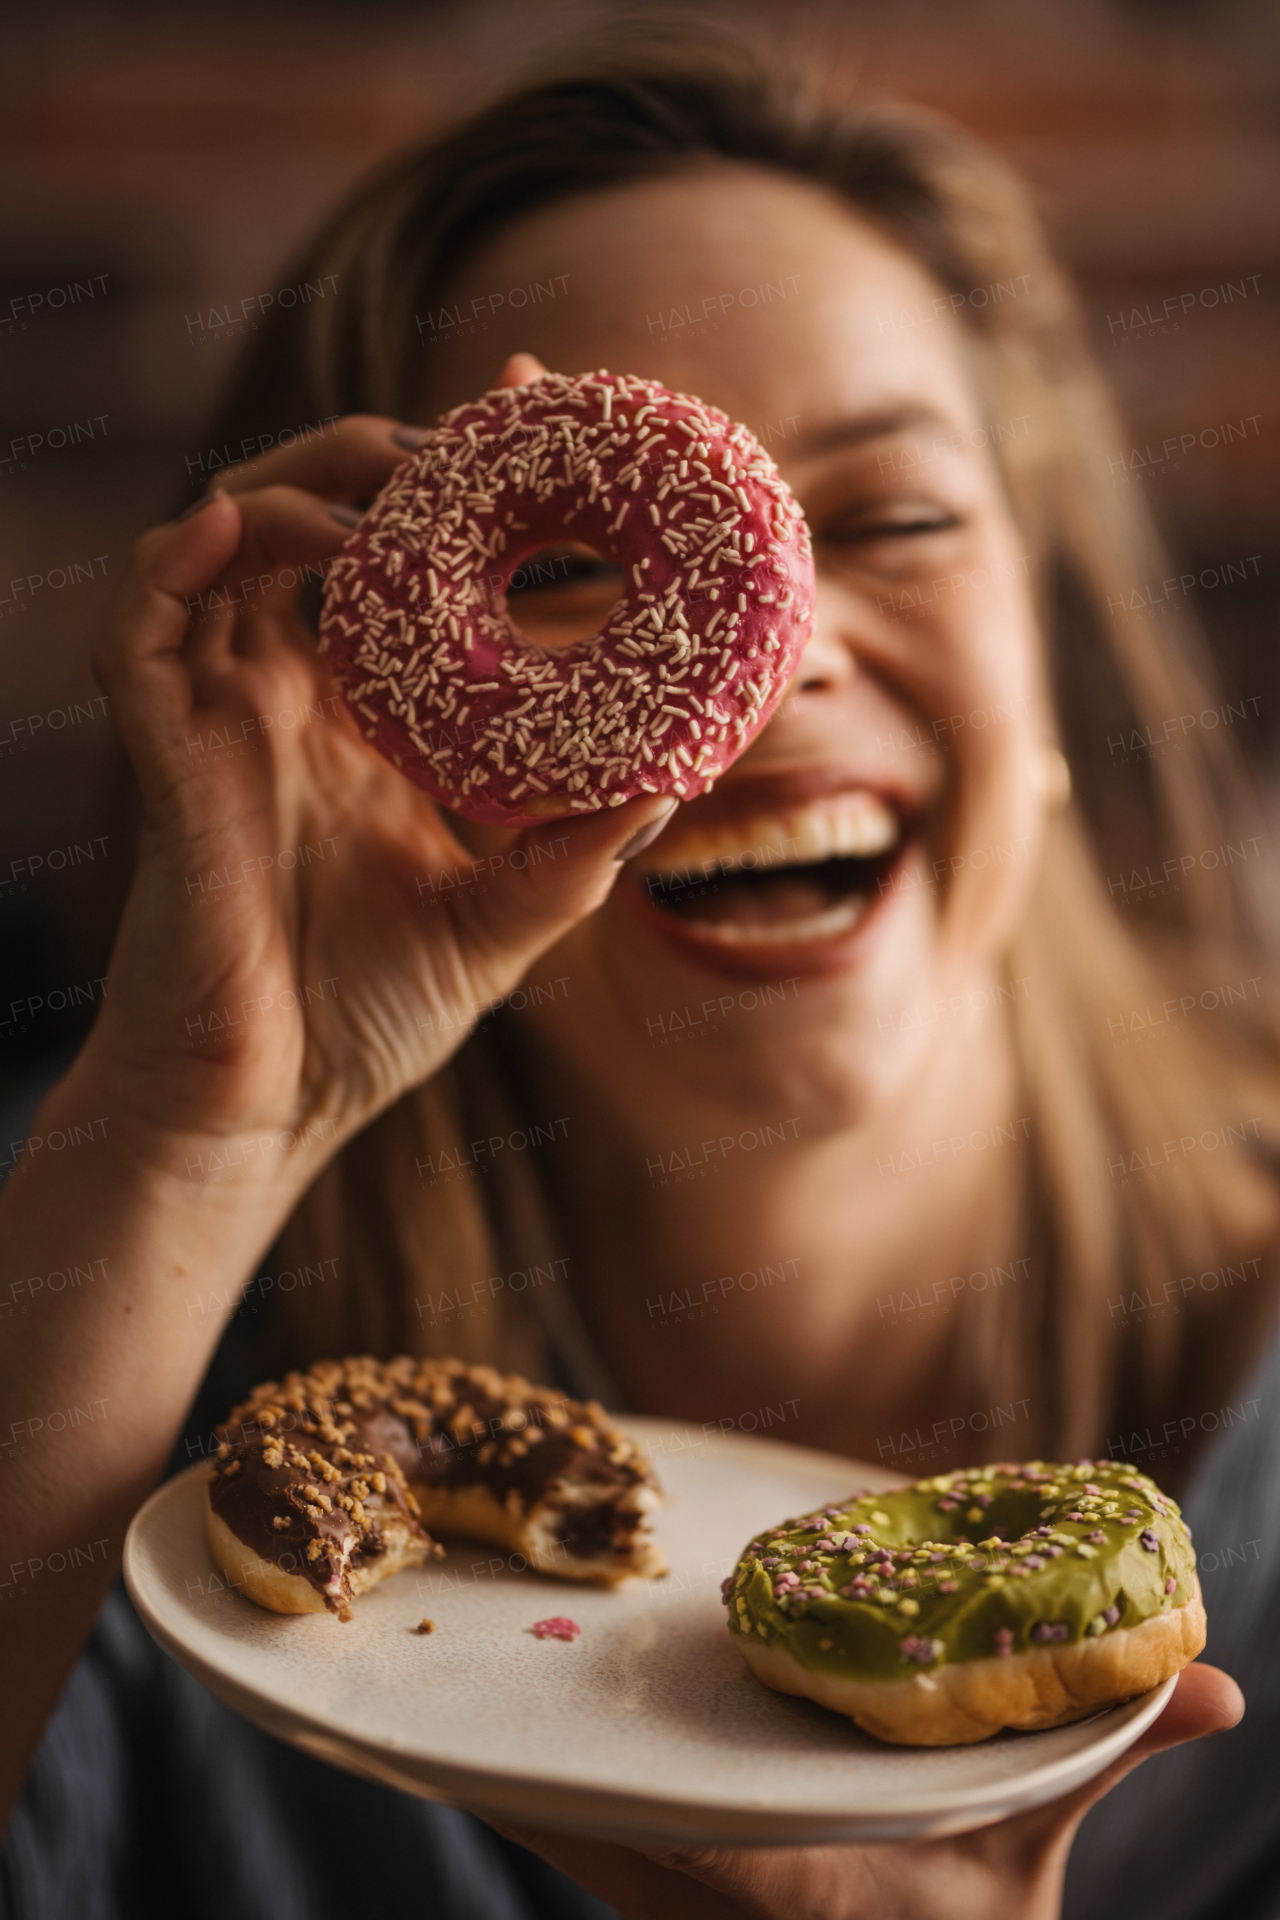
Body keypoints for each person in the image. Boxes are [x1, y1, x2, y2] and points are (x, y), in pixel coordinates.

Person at [2, 30, 1276, 1920]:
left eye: (898, 518)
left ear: (1047, 654)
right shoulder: (121, 1365)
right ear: (360, 706)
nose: (774, 678)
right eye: (561, 576)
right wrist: (198, 1135)